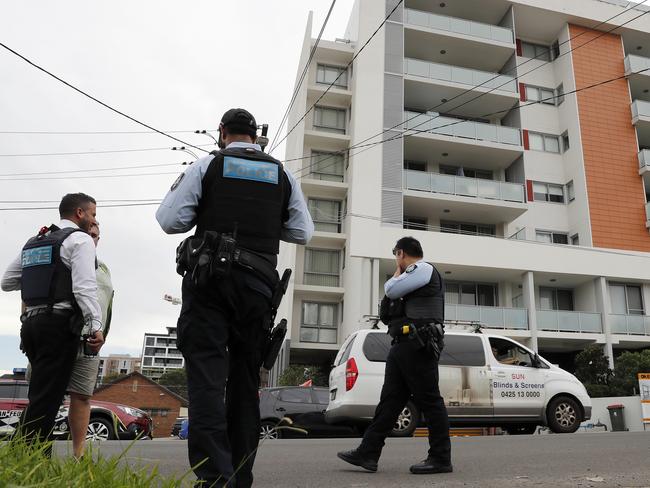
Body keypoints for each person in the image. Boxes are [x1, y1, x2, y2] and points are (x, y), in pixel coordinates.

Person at [156, 108, 314, 488]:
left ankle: (214, 478)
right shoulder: (282, 172)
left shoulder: (207, 164)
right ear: (256, 136)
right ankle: (240, 477)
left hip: (209, 284)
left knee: (208, 380)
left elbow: (169, 220)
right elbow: (302, 232)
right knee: (245, 384)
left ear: (222, 132)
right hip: (258, 288)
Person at [337, 236, 452, 475]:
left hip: (418, 344)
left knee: (430, 400)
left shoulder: (422, 268)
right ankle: (368, 452)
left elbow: (391, 289)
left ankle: (441, 458)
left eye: (396, 255)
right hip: (402, 345)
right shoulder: (413, 274)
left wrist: (397, 272)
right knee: (390, 402)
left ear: (401, 253)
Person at [1, 193, 104, 450]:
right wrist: (95, 326)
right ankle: (28, 454)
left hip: (31, 326)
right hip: (59, 325)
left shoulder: (35, 241)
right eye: (92, 214)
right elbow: (84, 288)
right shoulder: (80, 240)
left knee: (41, 393)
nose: (93, 220)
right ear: (79, 213)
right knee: (48, 397)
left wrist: (45, 277)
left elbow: (7, 281)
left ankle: (27, 453)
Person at [66, 222, 114, 458]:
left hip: (91, 341)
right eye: (88, 234)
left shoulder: (103, 268)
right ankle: (33, 449)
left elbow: (107, 304)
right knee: (44, 393)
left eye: (95, 236)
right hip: (58, 336)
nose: (91, 239)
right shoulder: (64, 253)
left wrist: (103, 332)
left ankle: (79, 455)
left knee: (83, 396)